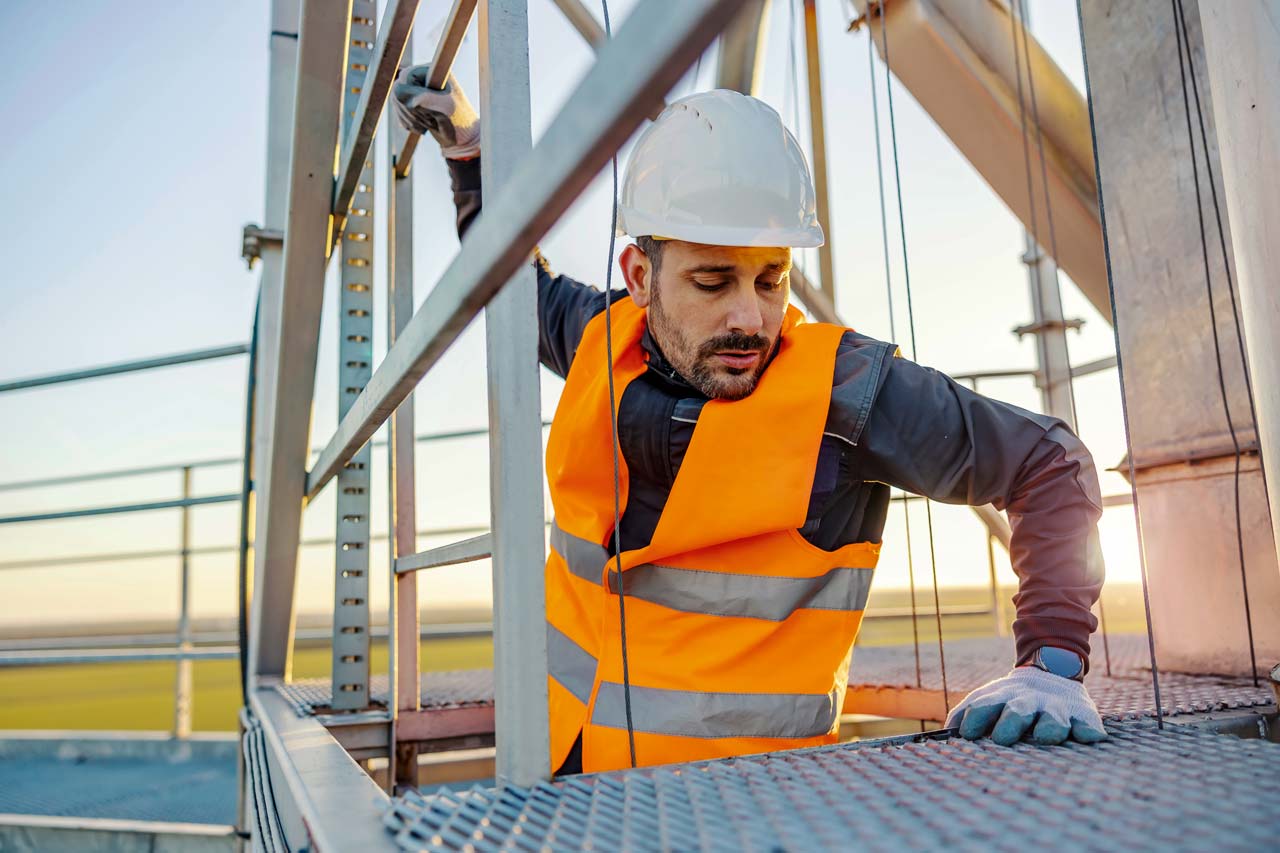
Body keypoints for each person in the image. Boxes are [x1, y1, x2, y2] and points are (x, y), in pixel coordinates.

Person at [393, 66, 1108, 775]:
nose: (749, 318)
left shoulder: (846, 393)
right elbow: (519, 289)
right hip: (558, 781)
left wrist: (1050, 661)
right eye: (712, 281)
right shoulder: (600, 335)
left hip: (752, 811)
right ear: (640, 278)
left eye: (771, 279)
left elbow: (1048, 463)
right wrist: (468, 152)